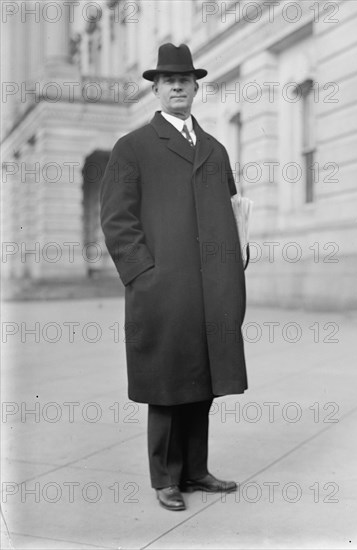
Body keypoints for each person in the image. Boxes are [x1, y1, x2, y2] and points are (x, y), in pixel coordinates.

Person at [100, 43, 248, 511]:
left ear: (196, 87)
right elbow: (117, 221)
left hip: (212, 286)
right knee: (166, 382)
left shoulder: (214, 149)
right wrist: (144, 275)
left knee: (201, 379)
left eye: (185, 79)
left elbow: (231, 209)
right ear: (157, 90)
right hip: (163, 287)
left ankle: (195, 469)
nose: (178, 86)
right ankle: (165, 476)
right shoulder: (133, 148)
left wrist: (237, 255)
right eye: (168, 81)